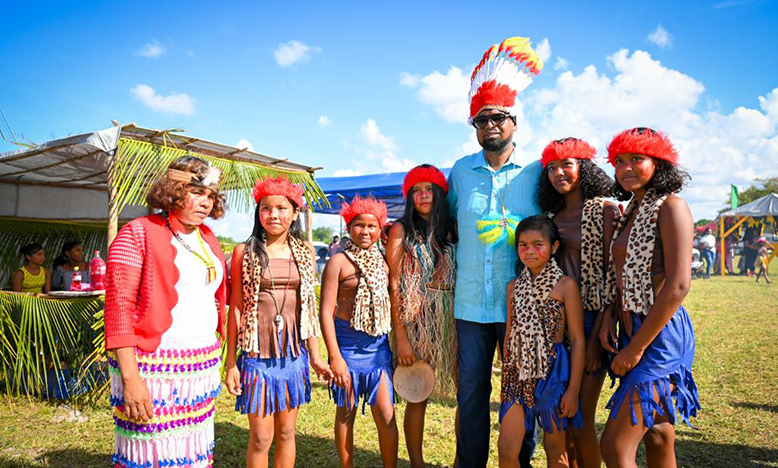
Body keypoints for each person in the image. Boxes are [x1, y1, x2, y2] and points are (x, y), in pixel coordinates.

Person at [447, 36, 544, 468]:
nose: (490, 125)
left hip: (521, 305)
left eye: (499, 118)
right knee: (470, 394)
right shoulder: (460, 173)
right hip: (470, 306)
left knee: (522, 390)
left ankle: (519, 461)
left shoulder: (538, 173)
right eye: (482, 120)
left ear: (515, 123)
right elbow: (448, 228)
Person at [104, 156, 229, 468]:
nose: (205, 202)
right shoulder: (136, 233)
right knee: (151, 455)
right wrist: (131, 381)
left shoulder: (208, 239)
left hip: (197, 369)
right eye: (196, 192)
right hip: (153, 369)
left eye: (210, 196)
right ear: (173, 190)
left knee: (191, 456)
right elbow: (118, 310)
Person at [599, 128, 701, 467]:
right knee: (657, 434)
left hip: (659, 336)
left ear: (659, 162)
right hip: (632, 328)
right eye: (619, 161)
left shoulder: (672, 206)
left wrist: (636, 348)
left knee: (614, 447)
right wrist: (610, 318)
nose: (626, 168)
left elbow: (678, 285)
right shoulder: (630, 211)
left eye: (636, 159)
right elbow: (622, 274)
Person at [224, 176, 332, 468]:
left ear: (295, 212)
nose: (273, 215)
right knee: (260, 438)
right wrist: (231, 362)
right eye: (266, 208)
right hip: (257, 357)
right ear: (258, 214)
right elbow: (235, 307)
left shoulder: (306, 252)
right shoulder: (243, 252)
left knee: (286, 433)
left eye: (282, 208)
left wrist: (317, 356)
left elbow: (308, 306)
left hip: (293, 355)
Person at [537, 138, 620, 468]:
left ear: (583, 167)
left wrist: (600, 336)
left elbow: (612, 278)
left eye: (566, 165)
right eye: (552, 168)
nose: (558, 173)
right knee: (561, 414)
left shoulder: (605, 210)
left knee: (581, 418)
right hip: (554, 323)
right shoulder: (548, 214)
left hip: (590, 320)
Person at [385, 165, 458, 468]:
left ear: (440, 194)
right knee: (418, 394)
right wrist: (401, 337)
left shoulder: (453, 228)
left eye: (429, 189)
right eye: (416, 190)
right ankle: (417, 463)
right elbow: (394, 284)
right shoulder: (401, 232)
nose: (423, 195)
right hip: (416, 323)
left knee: (466, 394)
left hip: (453, 320)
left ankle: (461, 460)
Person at [499, 215, 584, 468]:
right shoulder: (513, 287)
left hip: (553, 373)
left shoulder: (565, 286)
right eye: (523, 245)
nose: (529, 251)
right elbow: (509, 333)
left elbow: (578, 340)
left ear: (554, 247)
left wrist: (573, 390)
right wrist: (506, 370)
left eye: (538, 244)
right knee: (506, 449)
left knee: (555, 449)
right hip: (517, 374)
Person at [320, 196, 398, 468]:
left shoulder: (384, 260)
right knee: (345, 413)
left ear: (380, 229)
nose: (365, 231)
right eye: (358, 225)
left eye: (372, 226)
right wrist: (335, 357)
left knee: (387, 415)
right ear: (348, 227)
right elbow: (325, 312)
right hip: (348, 349)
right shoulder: (338, 262)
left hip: (378, 349)